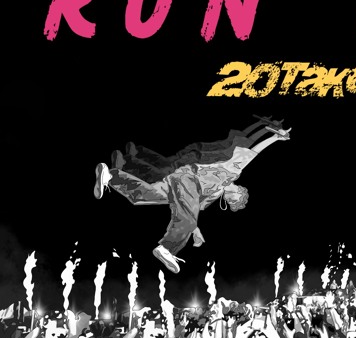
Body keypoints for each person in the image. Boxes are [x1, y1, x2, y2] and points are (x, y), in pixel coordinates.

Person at [93, 117, 291, 274]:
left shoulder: (214, 195)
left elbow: (191, 208)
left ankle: (111, 176)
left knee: (145, 196)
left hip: (179, 183)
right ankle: (167, 248)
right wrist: (275, 138)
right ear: (239, 190)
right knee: (186, 219)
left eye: (230, 203)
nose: (230, 200)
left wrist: (195, 231)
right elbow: (255, 150)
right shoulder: (235, 170)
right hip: (190, 178)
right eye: (234, 199)